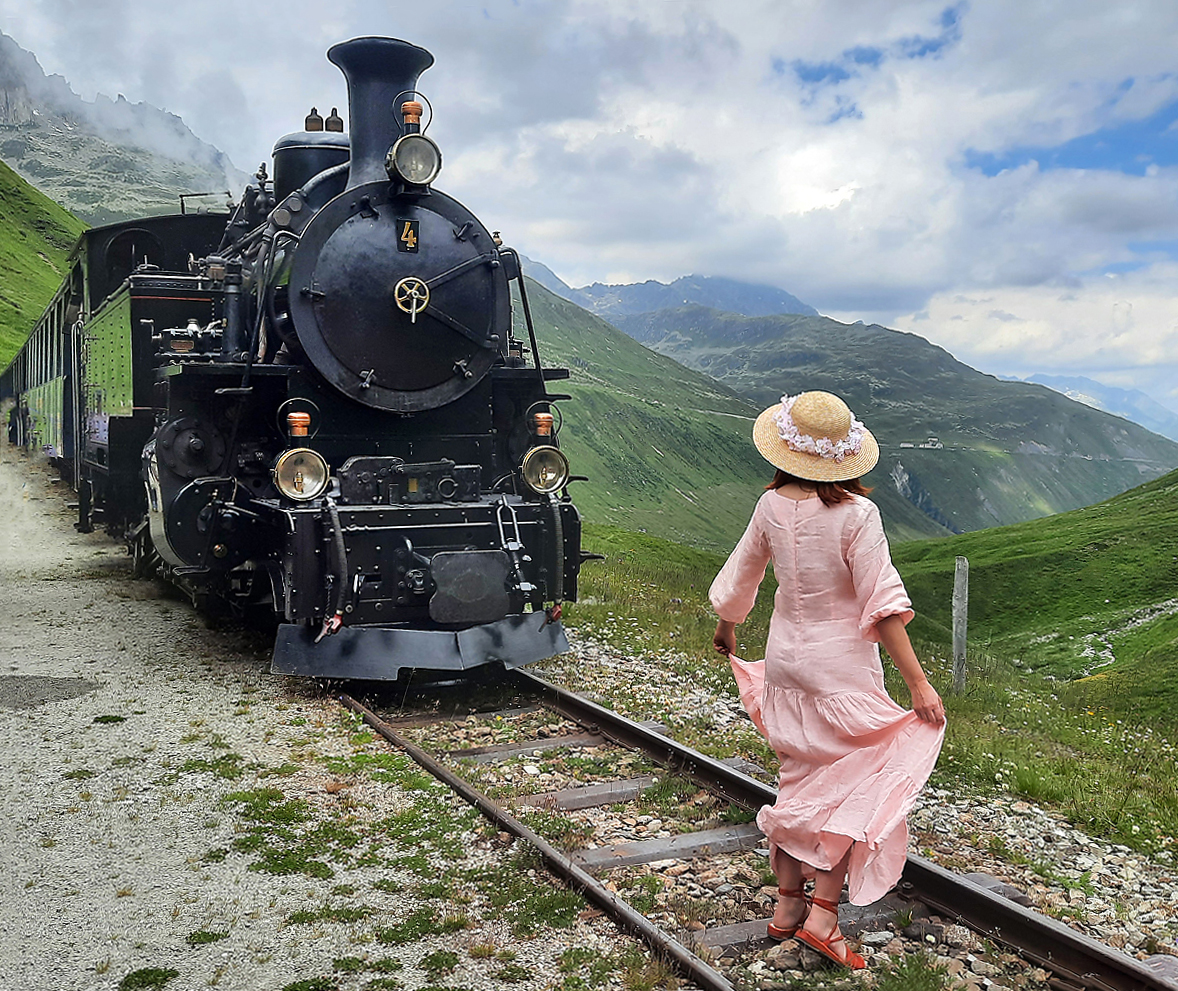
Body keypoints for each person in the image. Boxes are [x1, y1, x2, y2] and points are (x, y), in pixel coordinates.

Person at [709, 390, 945, 970]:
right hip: (840, 671)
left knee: (798, 780)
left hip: (785, 663)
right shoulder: (856, 515)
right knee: (847, 790)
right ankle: (822, 919)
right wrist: (918, 684)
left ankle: (788, 905)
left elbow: (744, 572)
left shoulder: (771, 504)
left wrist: (727, 625)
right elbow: (883, 607)